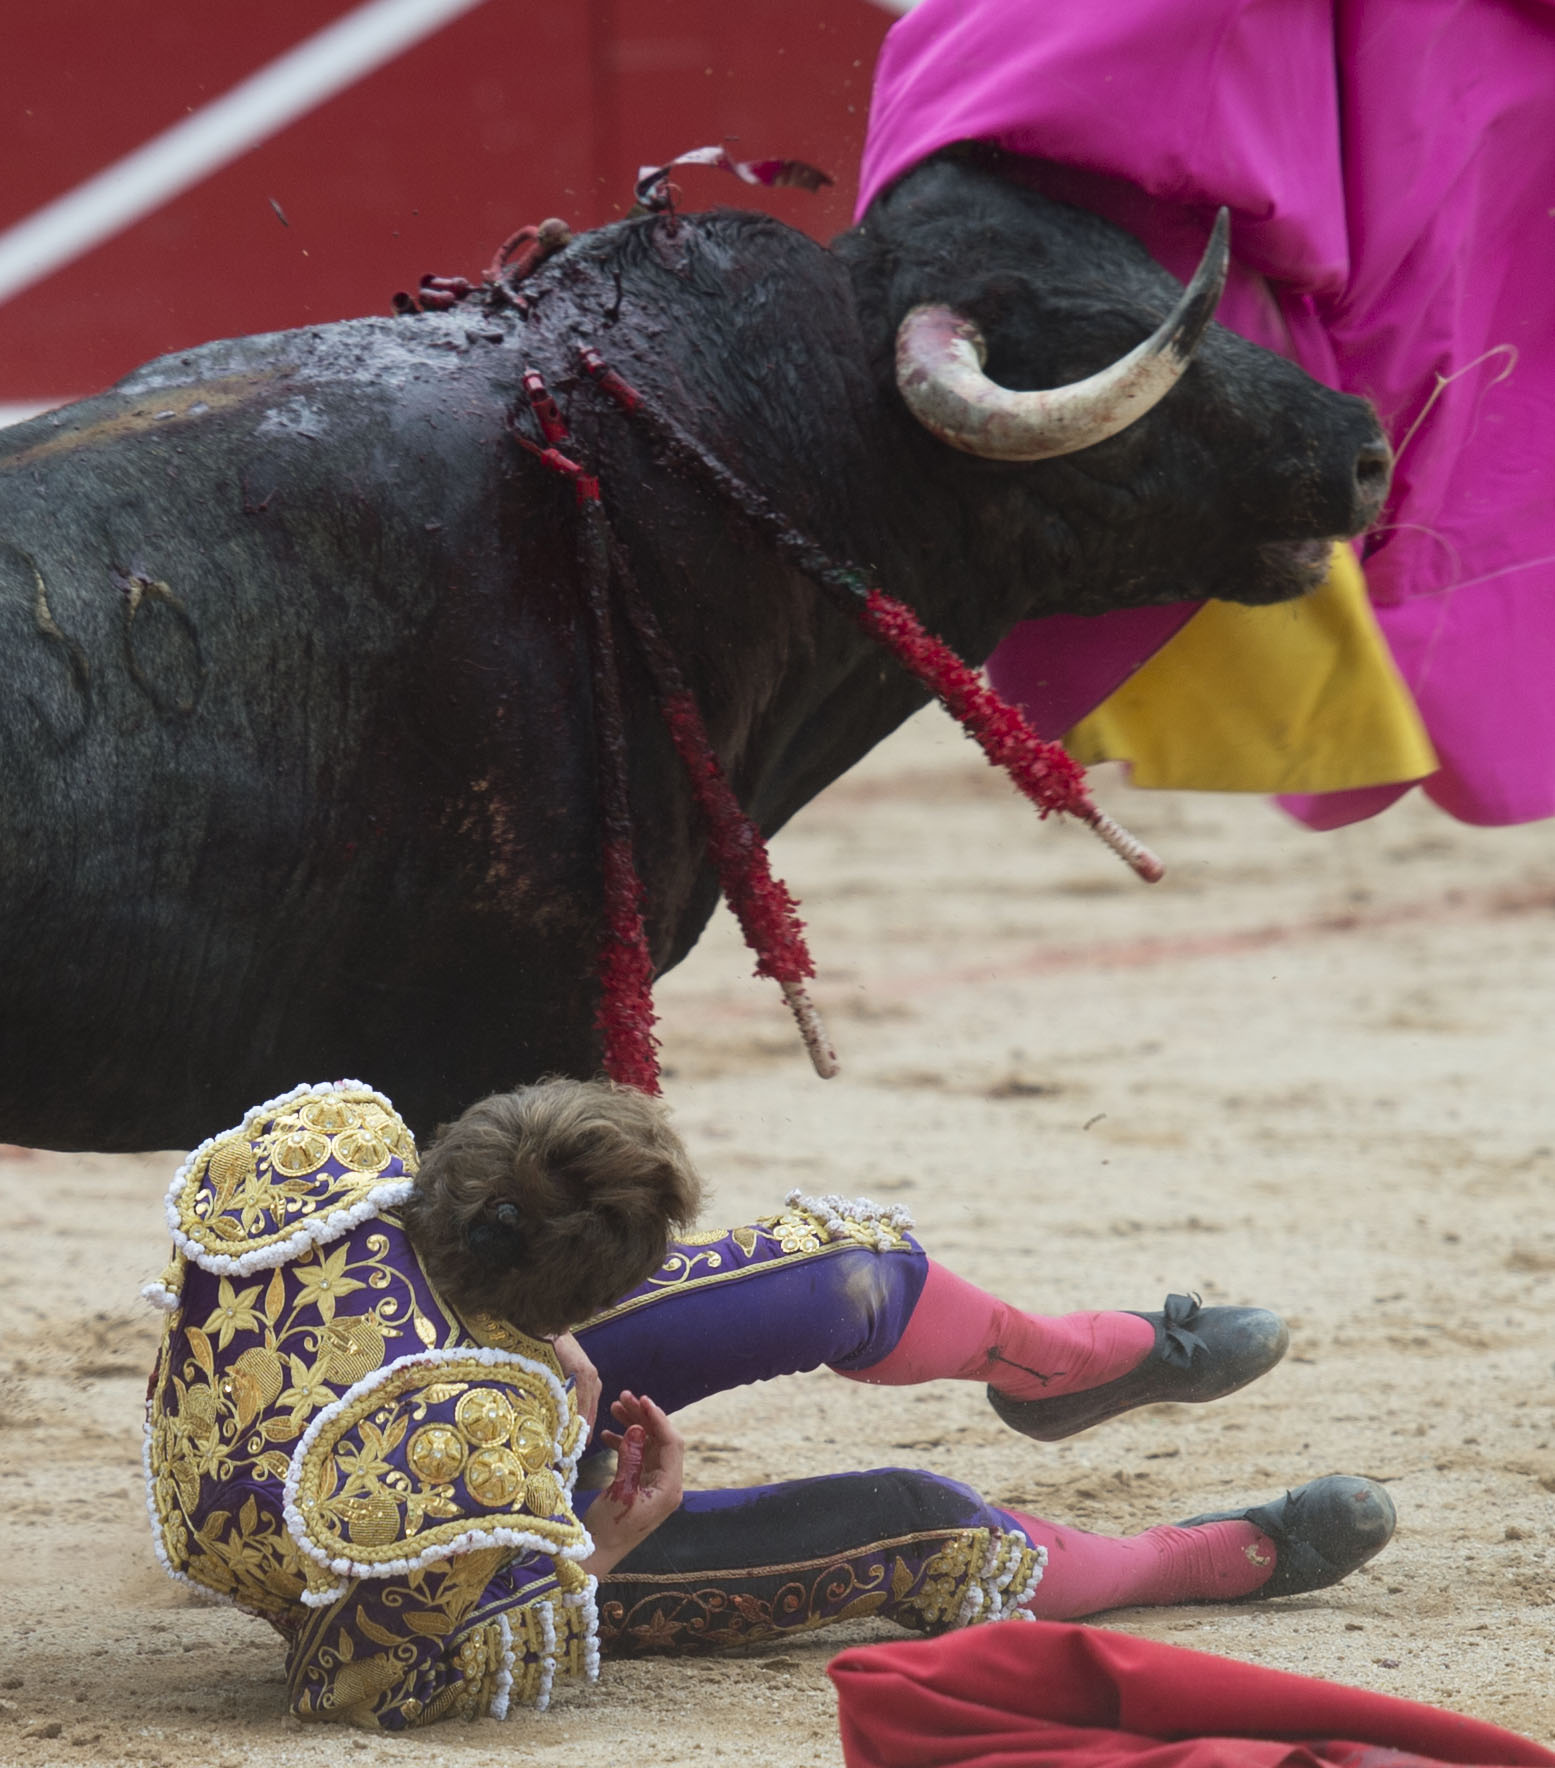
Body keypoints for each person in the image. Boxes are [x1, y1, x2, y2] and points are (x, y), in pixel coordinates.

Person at [143, 1078, 1395, 1730]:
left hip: (442, 1365)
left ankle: (1060, 1366)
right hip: (448, 1534)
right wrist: (609, 1533)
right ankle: (1168, 1563)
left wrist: (544, 1349)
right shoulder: (461, 1475)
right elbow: (356, 1686)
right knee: (920, 1523)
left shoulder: (332, 1162)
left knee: (843, 1273)